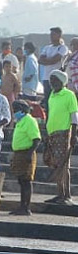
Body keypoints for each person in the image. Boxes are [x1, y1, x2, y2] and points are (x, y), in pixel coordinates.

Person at [43, 70, 77, 205]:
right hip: (52, 134)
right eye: (51, 81)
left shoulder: (69, 95)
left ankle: (66, 195)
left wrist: (74, 135)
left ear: (62, 81)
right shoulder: (52, 94)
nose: (52, 83)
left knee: (63, 165)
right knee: (56, 164)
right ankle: (60, 193)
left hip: (63, 134)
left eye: (55, 80)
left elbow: (74, 117)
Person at [8, 99, 42, 215]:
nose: (15, 112)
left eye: (16, 109)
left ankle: (26, 207)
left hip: (26, 153)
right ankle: (22, 206)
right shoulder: (20, 121)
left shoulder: (29, 120)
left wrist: (29, 154)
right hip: (19, 154)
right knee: (21, 181)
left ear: (22, 110)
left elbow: (36, 139)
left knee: (26, 181)